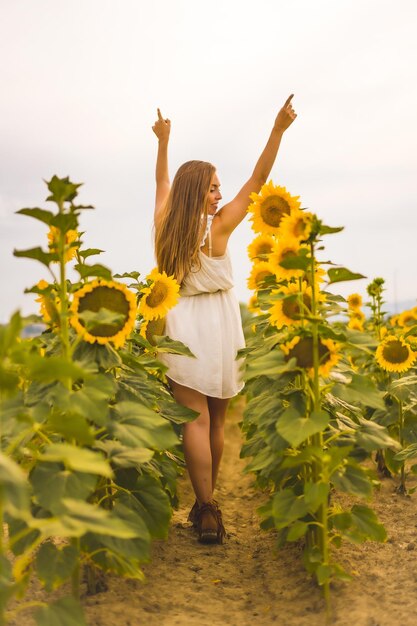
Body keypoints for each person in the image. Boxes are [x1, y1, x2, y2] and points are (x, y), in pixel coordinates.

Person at [152, 96, 297, 544]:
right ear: (199, 192)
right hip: (219, 324)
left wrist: (163, 143)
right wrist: (277, 130)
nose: (220, 193)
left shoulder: (163, 224)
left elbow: (161, 183)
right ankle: (207, 508)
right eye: (214, 187)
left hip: (183, 324)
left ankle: (204, 507)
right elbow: (259, 179)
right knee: (215, 421)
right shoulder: (218, 229)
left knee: (191, 421)